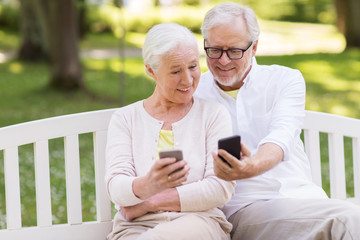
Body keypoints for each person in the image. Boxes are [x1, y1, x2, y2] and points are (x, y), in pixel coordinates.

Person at [195, 2, 360, 240]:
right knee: (349, 220)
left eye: (234, 51)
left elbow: (280, 138)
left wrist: (251, 167)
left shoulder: (284, 80)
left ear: (254, 48)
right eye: (214, 50)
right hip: (247, 208)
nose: (222, 61)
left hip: (306, 201)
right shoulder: (194, 93)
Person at [105, 22, 235, 240]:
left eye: (193, 66)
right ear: (150, 70)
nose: (187, 80)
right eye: (175, 71)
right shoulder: (124, 118)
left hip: (199, 223)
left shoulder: (216, 114)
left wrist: (149, 202)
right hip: (135, 227)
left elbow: (223, 186)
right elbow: (116, 186)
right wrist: (146, 184)